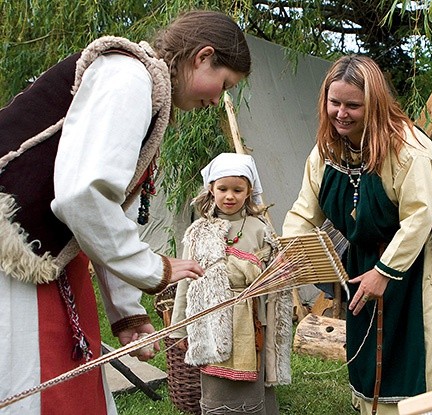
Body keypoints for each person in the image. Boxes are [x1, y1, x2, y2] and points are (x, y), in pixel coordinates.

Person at [0, 10, 251, 415]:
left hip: (41, 252)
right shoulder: (129, 76)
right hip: (13, 249)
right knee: (26, 390)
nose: (217, 100)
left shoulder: (145, 88)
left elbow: (104, 215)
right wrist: (153, 268)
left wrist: (128, 313)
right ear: (203, 57)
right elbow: (83, 197)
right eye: (225, 84)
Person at [282, 55, 432, 414]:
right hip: (365, 263)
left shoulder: (408, 148)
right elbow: (303, 211)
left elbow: (419, 216)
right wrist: (294, 253)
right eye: (334, 102)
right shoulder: (326, 151)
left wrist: (385, 272)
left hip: (419, 266)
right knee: (374, 355)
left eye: (353, 105)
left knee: (425, 358)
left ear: (373, 104)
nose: (341, 113)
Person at [169, 152, 292, 414]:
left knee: (253, 387)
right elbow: (186, 282)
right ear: (211, 189)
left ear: (249, 191)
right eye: (222, 189)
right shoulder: (199, 232)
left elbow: (274, 276)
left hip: (253, 319)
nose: (229, 196)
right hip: (212, 319)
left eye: (238, 189)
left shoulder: (260, 229)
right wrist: (179, 328)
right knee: (217, 383)